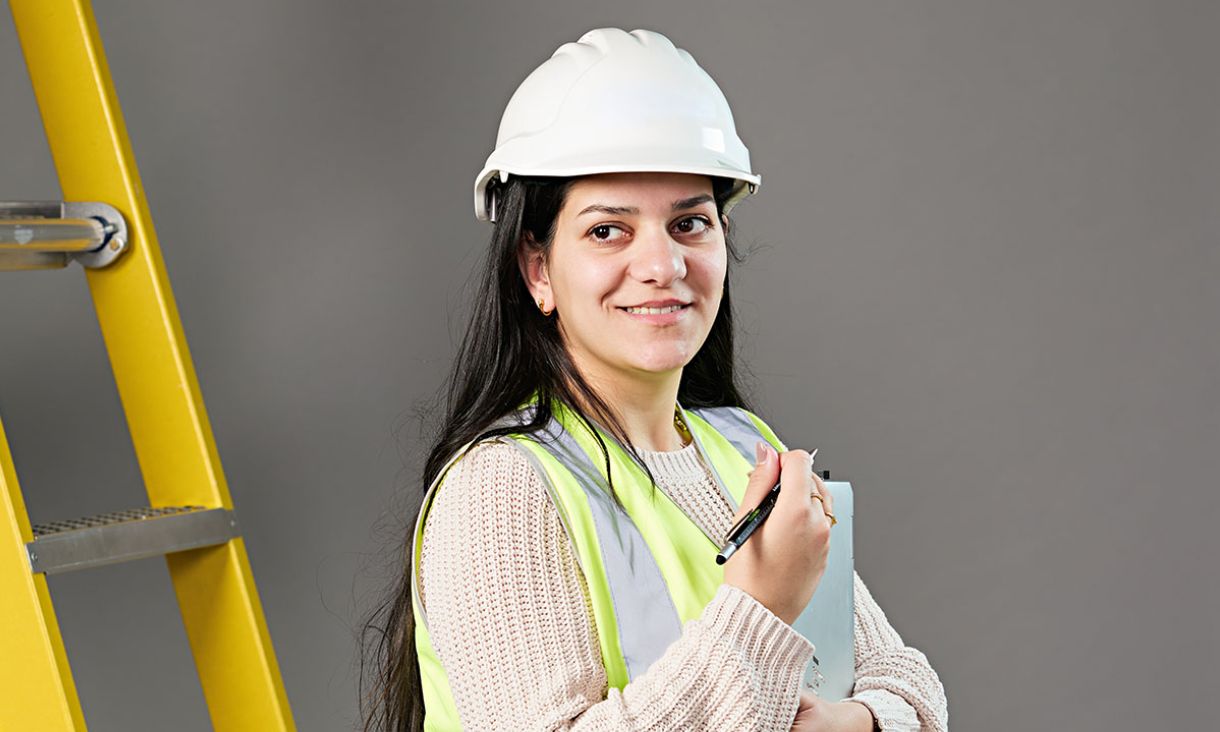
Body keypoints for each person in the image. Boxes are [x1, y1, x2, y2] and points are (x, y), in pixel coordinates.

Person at [363, 28, 947, 732]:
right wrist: (758, 610)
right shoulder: (501, 492)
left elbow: (910, 686)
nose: (662, 266)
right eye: (608, 230)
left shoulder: (745, 447)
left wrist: (851, 724)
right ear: (537, 268)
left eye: (689, 224)